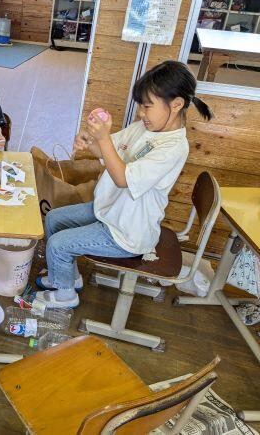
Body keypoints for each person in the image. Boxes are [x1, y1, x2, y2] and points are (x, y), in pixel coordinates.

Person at [35, 60, 213, 308]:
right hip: (110, 211)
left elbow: (122, 178)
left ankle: (66, 296)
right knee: (54, 219)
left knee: (57, 244)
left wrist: (102, 139)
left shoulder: (173, 148)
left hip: (127, 232)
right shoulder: (143, 128)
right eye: (140, 105)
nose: (141, 113)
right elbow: (107, 152)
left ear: (176, 104)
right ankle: (68, 278)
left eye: (147, 106)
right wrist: (89, 140)